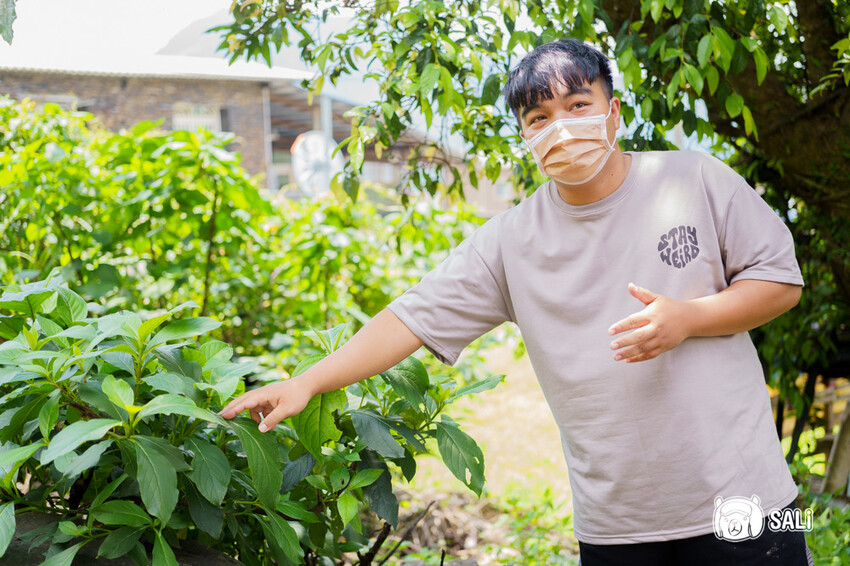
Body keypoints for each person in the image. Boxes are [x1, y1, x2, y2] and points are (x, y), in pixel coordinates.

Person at [220, 39, 812, 565]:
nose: (561, 127)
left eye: (577, 106)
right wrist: (307, 382)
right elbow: (411, 317)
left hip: (748, 499)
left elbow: (781, 281)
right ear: (527, 137)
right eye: (539, 117)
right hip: (617, 521)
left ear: (613, 113)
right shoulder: (510, 241)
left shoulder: (693, 180)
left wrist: (689, 318)